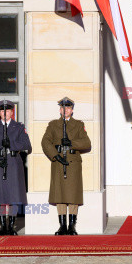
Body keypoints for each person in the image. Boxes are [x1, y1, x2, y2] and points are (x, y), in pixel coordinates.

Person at [41, 97, 91, 235]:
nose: (65, 110)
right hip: (58, 162)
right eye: (63, 108)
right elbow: (45, 142)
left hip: (73, 163)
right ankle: (62, 226)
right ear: (60, 110)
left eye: (68, 108)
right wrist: (55, 155)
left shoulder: (79, 125)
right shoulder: (53, 125)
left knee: (73, 194)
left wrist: (71, 143)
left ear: (72, 110)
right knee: (60, 194)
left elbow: (86, 143)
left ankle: (72, 226)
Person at [0, 100, 32, 236]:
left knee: (13, 195)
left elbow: (27, 145)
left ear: (12, 112)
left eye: (8, 111)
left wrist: (11, 144)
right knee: (0, 195)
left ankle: (11, 226)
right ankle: (2, 226)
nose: (5, 113)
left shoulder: (19, 127)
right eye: (2, 111)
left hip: (13, 163)